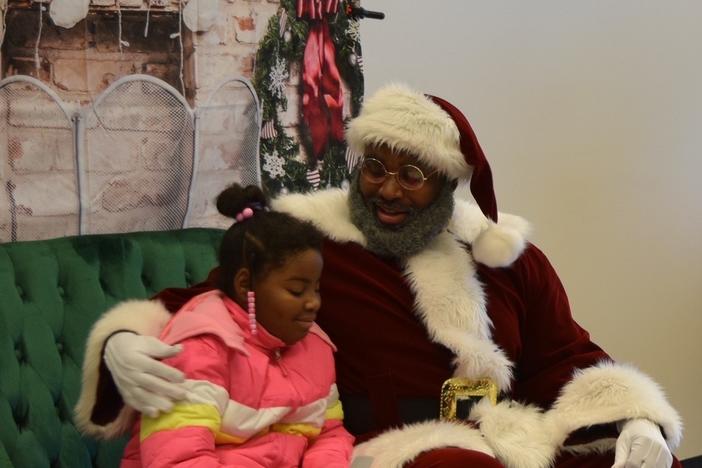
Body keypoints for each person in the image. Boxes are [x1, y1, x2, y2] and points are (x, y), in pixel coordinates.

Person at [76, 84, 682, 468]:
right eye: (375, 168)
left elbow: (565, 357)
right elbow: (213, 299)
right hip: (382, 449)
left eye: (412, 175)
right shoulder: (309, 242)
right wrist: (124, 341)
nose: (388, 190)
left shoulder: (506, 261)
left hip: (515, 432)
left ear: (449, 184)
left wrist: (631, 416)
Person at [118, 184, 354, 467]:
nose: (313, 302)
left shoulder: (315, 347)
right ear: (245, 285)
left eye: (316, 289)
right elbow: (179, 459)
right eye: (296, 290)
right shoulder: (199, 350)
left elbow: (329, 433)